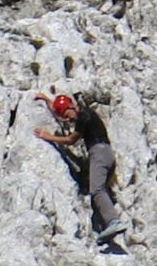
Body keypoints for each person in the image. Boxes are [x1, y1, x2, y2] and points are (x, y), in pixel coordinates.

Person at [33, 93, 127, 243]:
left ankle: (114, 221)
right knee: (98, 192)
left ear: (71, 107)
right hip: (106, 154)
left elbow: (71, 140)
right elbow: (61, 113)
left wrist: (48, 137)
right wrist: (46, 99)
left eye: (68, 115)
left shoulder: (84, 115)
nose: (68, 119)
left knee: (96, 189)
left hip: (99, 153)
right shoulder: (80, 114)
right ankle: (106, 229)